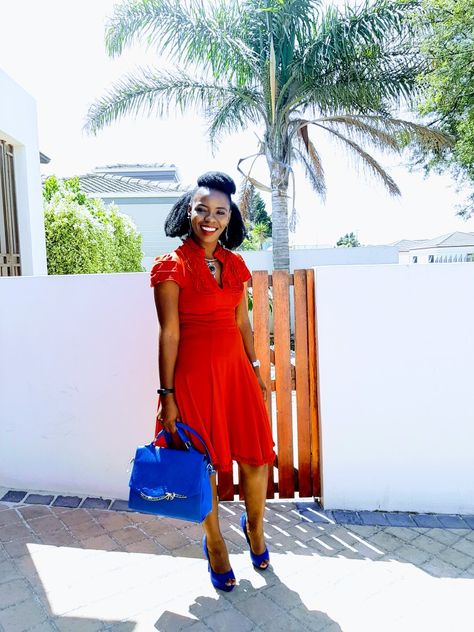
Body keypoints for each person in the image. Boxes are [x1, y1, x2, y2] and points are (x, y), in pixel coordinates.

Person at [150, 172, 275, 591]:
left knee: (257, 458)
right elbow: (169, 332)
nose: (210, 218)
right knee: (203, 466)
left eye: (220, 212)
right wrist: (167, 395)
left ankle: (254, 527)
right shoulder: (170, 265)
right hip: (193, 379)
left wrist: (255, 370)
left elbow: (242, 323)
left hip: (236, 374)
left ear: (229, 217)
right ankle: (216, 543)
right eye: (202, 209)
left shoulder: (236, 265)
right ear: (189, 210)